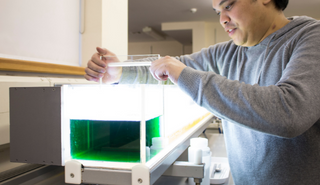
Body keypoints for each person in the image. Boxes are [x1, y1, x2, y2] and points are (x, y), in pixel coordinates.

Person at [85, 0, 320, 184]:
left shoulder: (310, 36)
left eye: (228, 6)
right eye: (218, 12)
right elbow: (165, 71)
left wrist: (185, 75)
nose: (223, 19)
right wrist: (118, 73)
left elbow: (289, 112)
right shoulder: (225, 53)